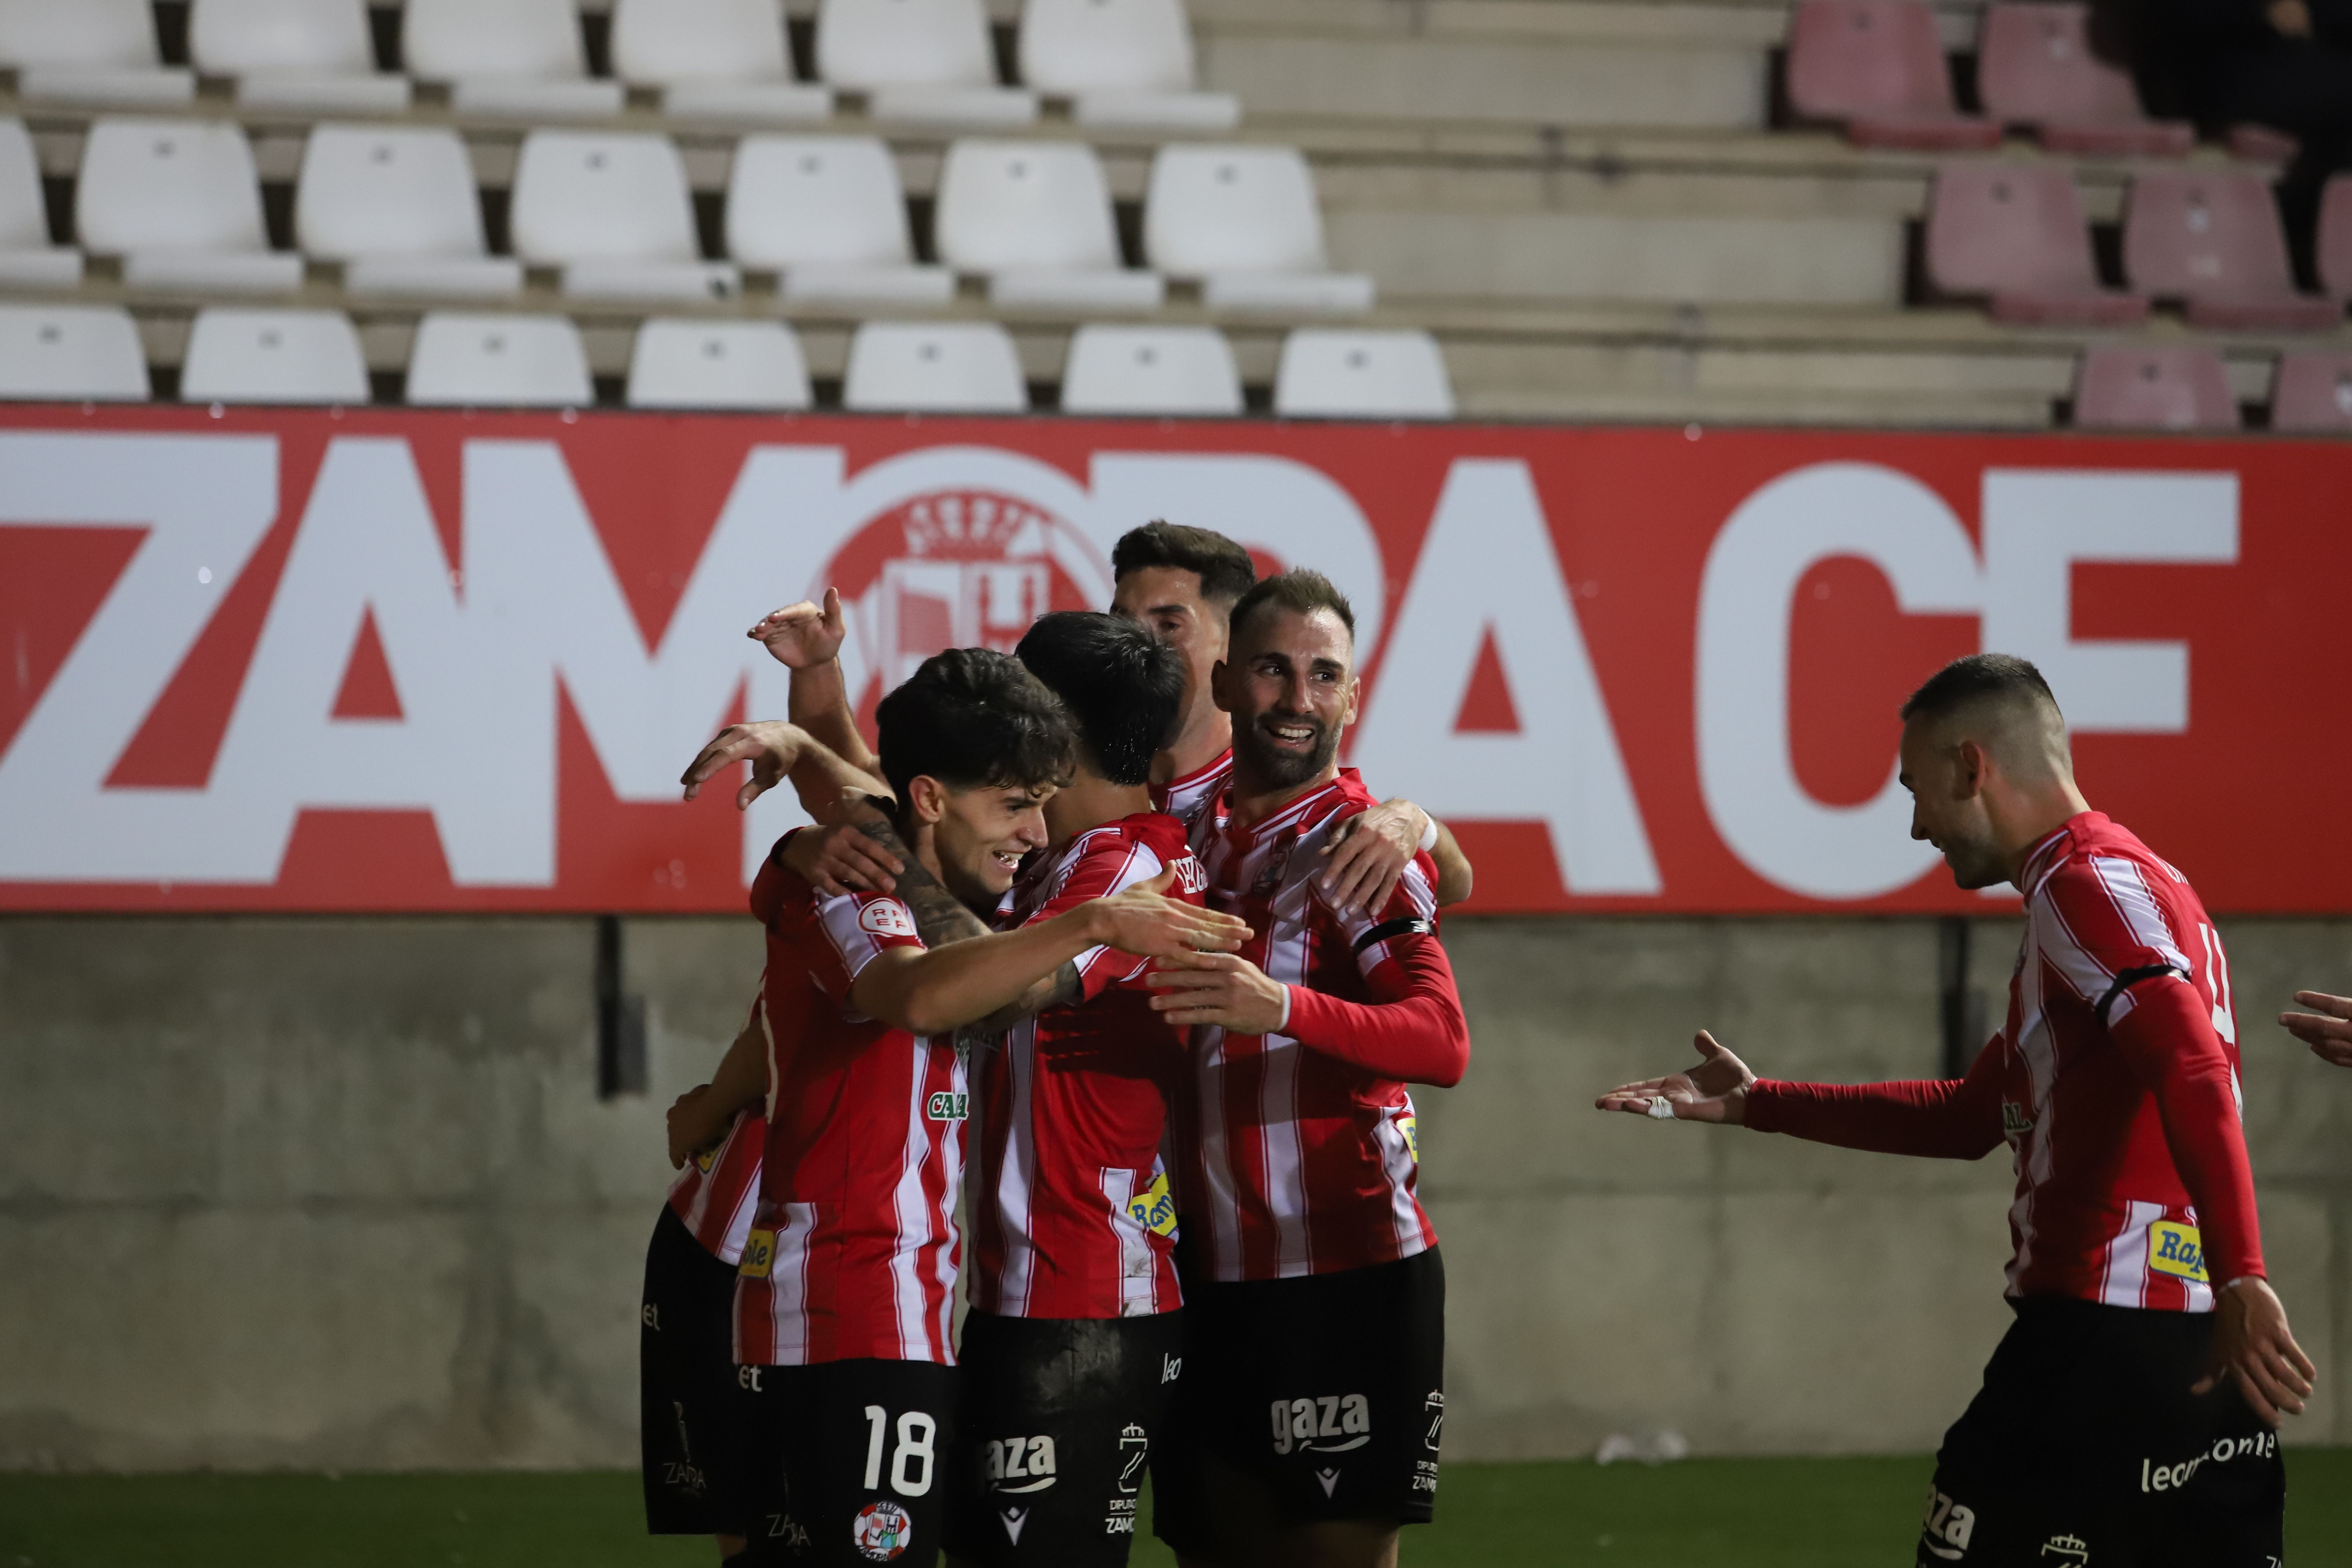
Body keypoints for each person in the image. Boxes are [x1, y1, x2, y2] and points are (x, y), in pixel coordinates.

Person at [1597, 652, 2315, 1567]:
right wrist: (1759, 1103)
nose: (1915, 825)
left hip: (2102, 1343)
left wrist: (2247, 1270)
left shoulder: (2084, 887)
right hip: (2197, 1345)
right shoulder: (2136, 888)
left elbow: (2192, 1064)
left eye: (1917, 788)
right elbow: (1973, 1115)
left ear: (1972, 766)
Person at [676, 662, 1249, 1568]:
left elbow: (872, 795)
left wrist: (802, 746)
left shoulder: (898, 876)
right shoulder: (854, 890)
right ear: (937, 799)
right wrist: (1092, 923)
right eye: (1018, 803)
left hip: (874, 1311)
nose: (1036, 831)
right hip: (848, 1308)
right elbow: (923, 996)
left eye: (1045, 801)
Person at [1141, 570, 1472, 1568]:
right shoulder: (1179, 822)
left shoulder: (1358, 849)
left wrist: (1278, 1006)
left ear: (1353, 697)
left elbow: (1442, 1039)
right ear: (1229, 681)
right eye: (1275, 670)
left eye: (1324, 675)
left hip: (1344, 1275)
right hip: (1201, 1273)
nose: (1297, 698)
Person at [743, 520, 1473, 917]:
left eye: (1168, 624)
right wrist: (815, 679)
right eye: (1122, 618)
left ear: (1230, 647)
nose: (1136, 642)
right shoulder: (1064, 763)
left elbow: (1451, 883)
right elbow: (902, 793)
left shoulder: (1262, 791)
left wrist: (1416, 821)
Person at [943, 611, 1204, 1568]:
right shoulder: (1077, 858)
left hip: (1082, 1299)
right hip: (1045, 1291)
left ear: (1052, 721)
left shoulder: (1124, 868)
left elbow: (985, 998)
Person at [641, 1001, 770, 1565]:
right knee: (753, 1524)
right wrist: (712, 1106)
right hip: (734, 1255)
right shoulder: (839, 919)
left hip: (777, 1257)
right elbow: (775, 1030)